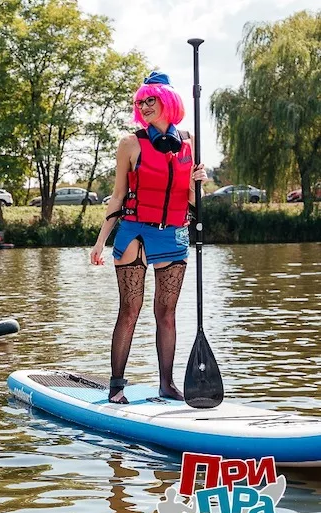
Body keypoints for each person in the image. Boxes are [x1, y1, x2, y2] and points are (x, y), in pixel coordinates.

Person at [89, 72, 208, 403]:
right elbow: (116, 196)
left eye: (150, 100)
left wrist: (200, 181)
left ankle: (167, 384)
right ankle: (116, 387)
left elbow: (194, 201)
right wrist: (101, 241)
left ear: (167, 101)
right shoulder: (130, 143)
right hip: (134, 234)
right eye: (140, 102)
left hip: (173, 235)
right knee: (130, 308)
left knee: (166, 313)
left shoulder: (189, 142)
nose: (144, 106)